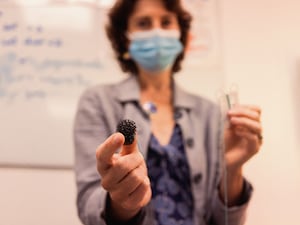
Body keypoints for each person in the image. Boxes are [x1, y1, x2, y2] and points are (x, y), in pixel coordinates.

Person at [73, 0, 263, 224]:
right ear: (125, 36)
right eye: (144, 23)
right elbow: (89, 208)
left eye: (166, 22)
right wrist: (123, 201)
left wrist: (233, 168)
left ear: (181, 35)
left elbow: (226, 221)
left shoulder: (209, 115)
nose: (157, 32)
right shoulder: (99, 102)